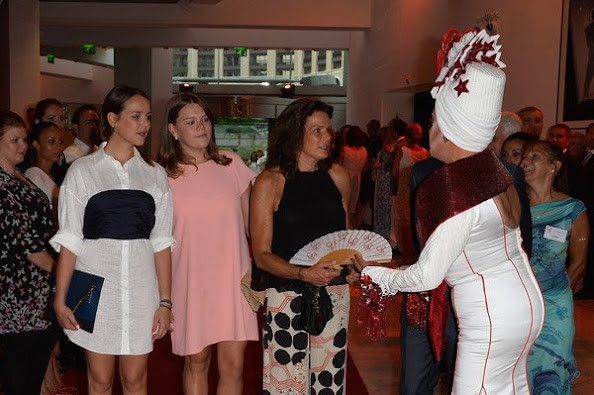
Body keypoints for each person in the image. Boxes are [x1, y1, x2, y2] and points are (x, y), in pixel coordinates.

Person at [354, 29, 544, 393]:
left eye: (434, 122)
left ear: (451, 129)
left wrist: (376, 275)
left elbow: (426, 277)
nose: (429, 130)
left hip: (491, 316)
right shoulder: (496, 172)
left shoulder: (455, 188)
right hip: (524, 306)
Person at [51, 86, 175, 394]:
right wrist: (60, 297)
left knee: (135, 381)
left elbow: (161, 243)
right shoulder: (82, 171)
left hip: (142, 290)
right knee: (100, 380)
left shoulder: (155, 174)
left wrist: (165, 301)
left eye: (147, 116)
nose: (144, 124)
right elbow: (69, 240)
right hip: (95, 289)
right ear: (113, 119)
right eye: (135, 116)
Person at [250, 98, 357, 394]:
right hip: (287, 291)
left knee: (329, 381)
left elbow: (346, 237)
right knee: (286, 382)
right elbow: (261, 255)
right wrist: (303, 274)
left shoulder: (338, 176)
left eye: (328, 130)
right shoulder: (270, 182)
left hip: (333, 290)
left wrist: (354, 267)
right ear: (296, 133)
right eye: (317, 130)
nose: (327, 137)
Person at [157, 92, 258, 394]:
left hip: (234, 278)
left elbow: (254, 227)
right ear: (173, 130)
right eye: (190, 122)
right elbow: (157, 240)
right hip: (189, 281)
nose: (201, 127)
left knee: (234, 365)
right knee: (197, 362)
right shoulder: (160, 176)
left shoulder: (233, 165)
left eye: (204, 120)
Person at [521, 141, 590, 394]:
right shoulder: (515, 209)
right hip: (520, 305)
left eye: (534, 156)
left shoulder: (572, 209)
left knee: (552, 369)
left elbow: (579, 263)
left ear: (554, 166)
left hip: (555, 308)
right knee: (521, 372)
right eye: (524, 157)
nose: (525, 162)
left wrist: (549, 298)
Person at [0, 111, 57, 395]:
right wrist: (66, 273)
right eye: (14, 140)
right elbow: (29, 247)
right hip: (17, 292)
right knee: (20, 371)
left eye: (24, 138)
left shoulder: (19, 176)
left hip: (38, 289)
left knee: (32, 368)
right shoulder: (2, 186)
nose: (23, 145)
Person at [391, 122, 429, 262]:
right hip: (420, 192)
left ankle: (408, 256)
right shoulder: (425, 152)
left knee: (404, 223)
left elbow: (394, 172)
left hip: (404, 192)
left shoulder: (402, 150)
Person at [25, 122, 64, 214]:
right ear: (36, 144)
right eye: (51, 141)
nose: (58, 146)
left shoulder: (54, 174)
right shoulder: (34, 176)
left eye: (61, 141)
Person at [338, 125, 368, 227]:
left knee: (343, 208)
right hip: (357, 181)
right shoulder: (364, 150)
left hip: (345, 181)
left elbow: (339, 167)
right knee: (352, 209)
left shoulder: (345, 150)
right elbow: (365, 168)